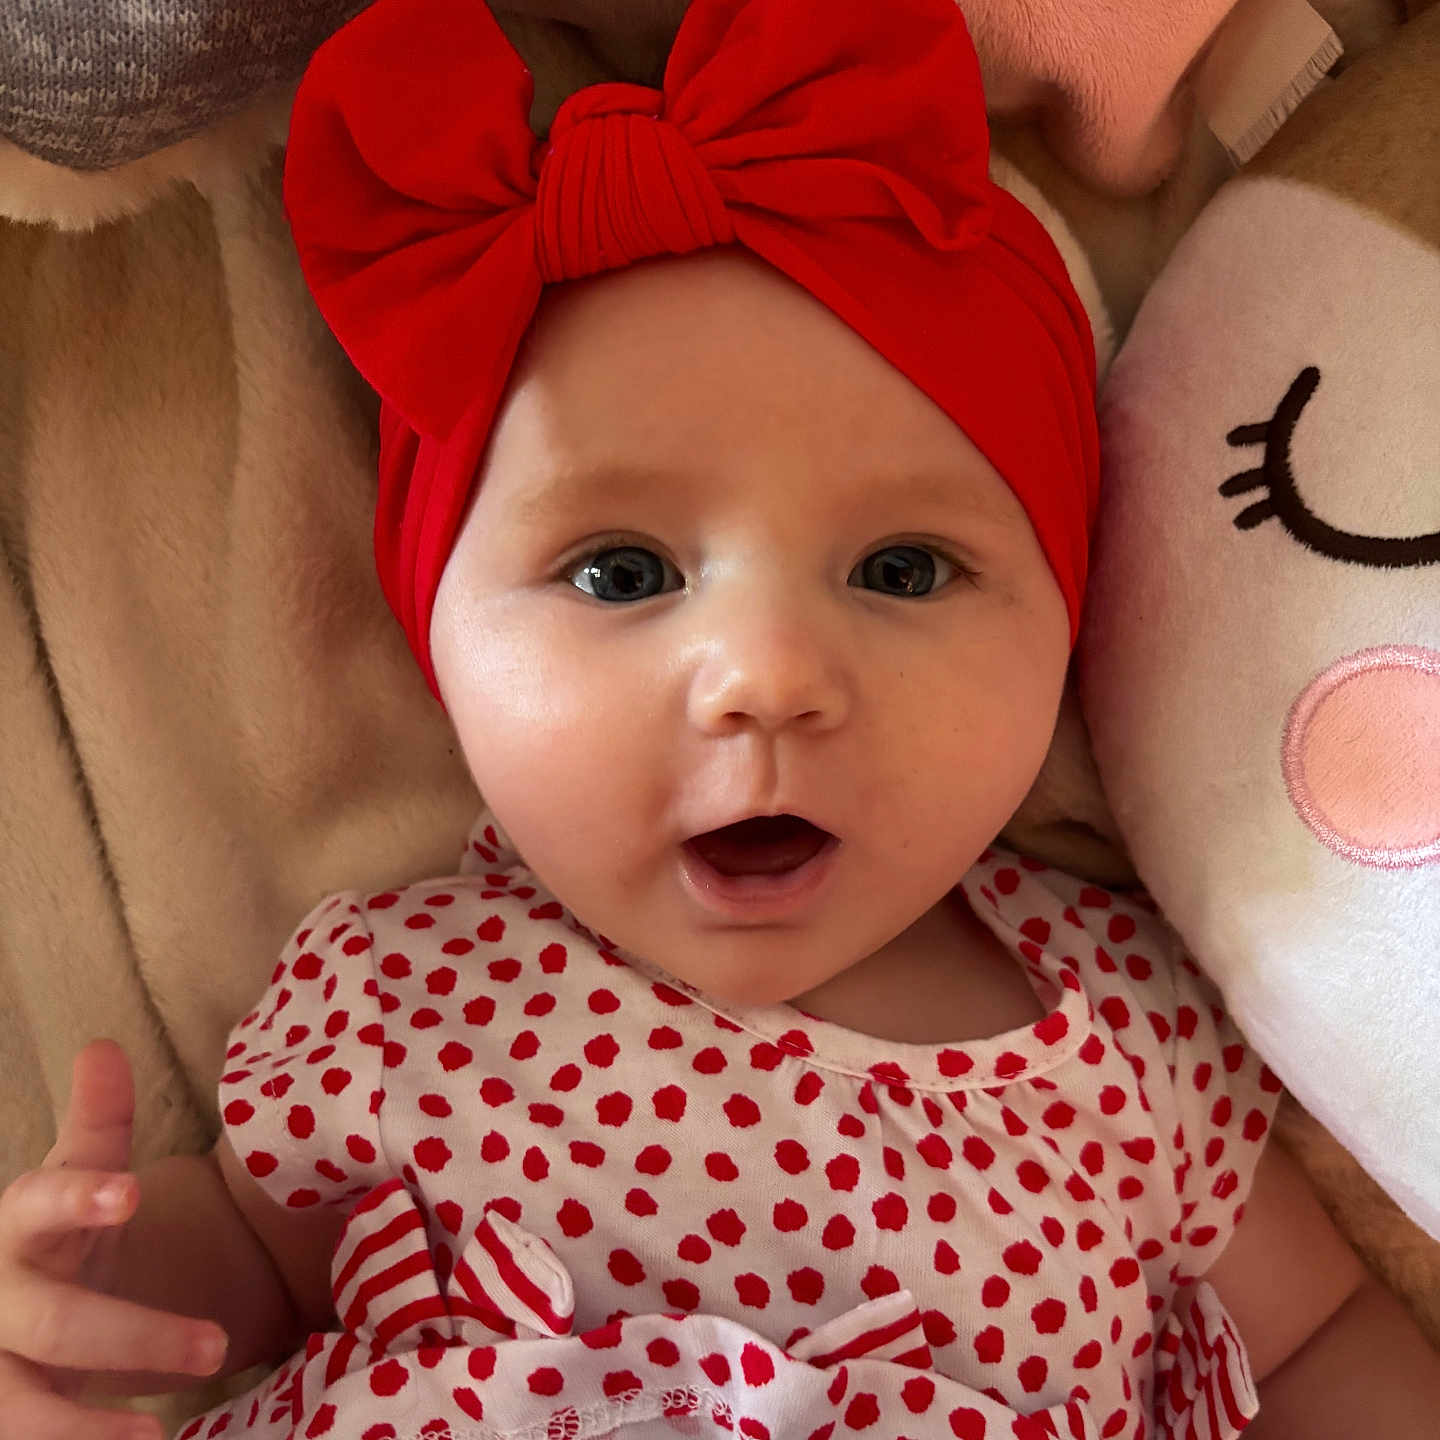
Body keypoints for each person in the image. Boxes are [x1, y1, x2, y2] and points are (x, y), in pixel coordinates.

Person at [2, 0, 1438, 1436]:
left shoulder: (1130, 1039)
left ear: (1070, 633)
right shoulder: (410, 998)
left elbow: (1317, 1346)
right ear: (438, 648)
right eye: (621, 574)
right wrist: (92, 1285)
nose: (765, 673)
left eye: (902, 570)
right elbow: (251, 1264)